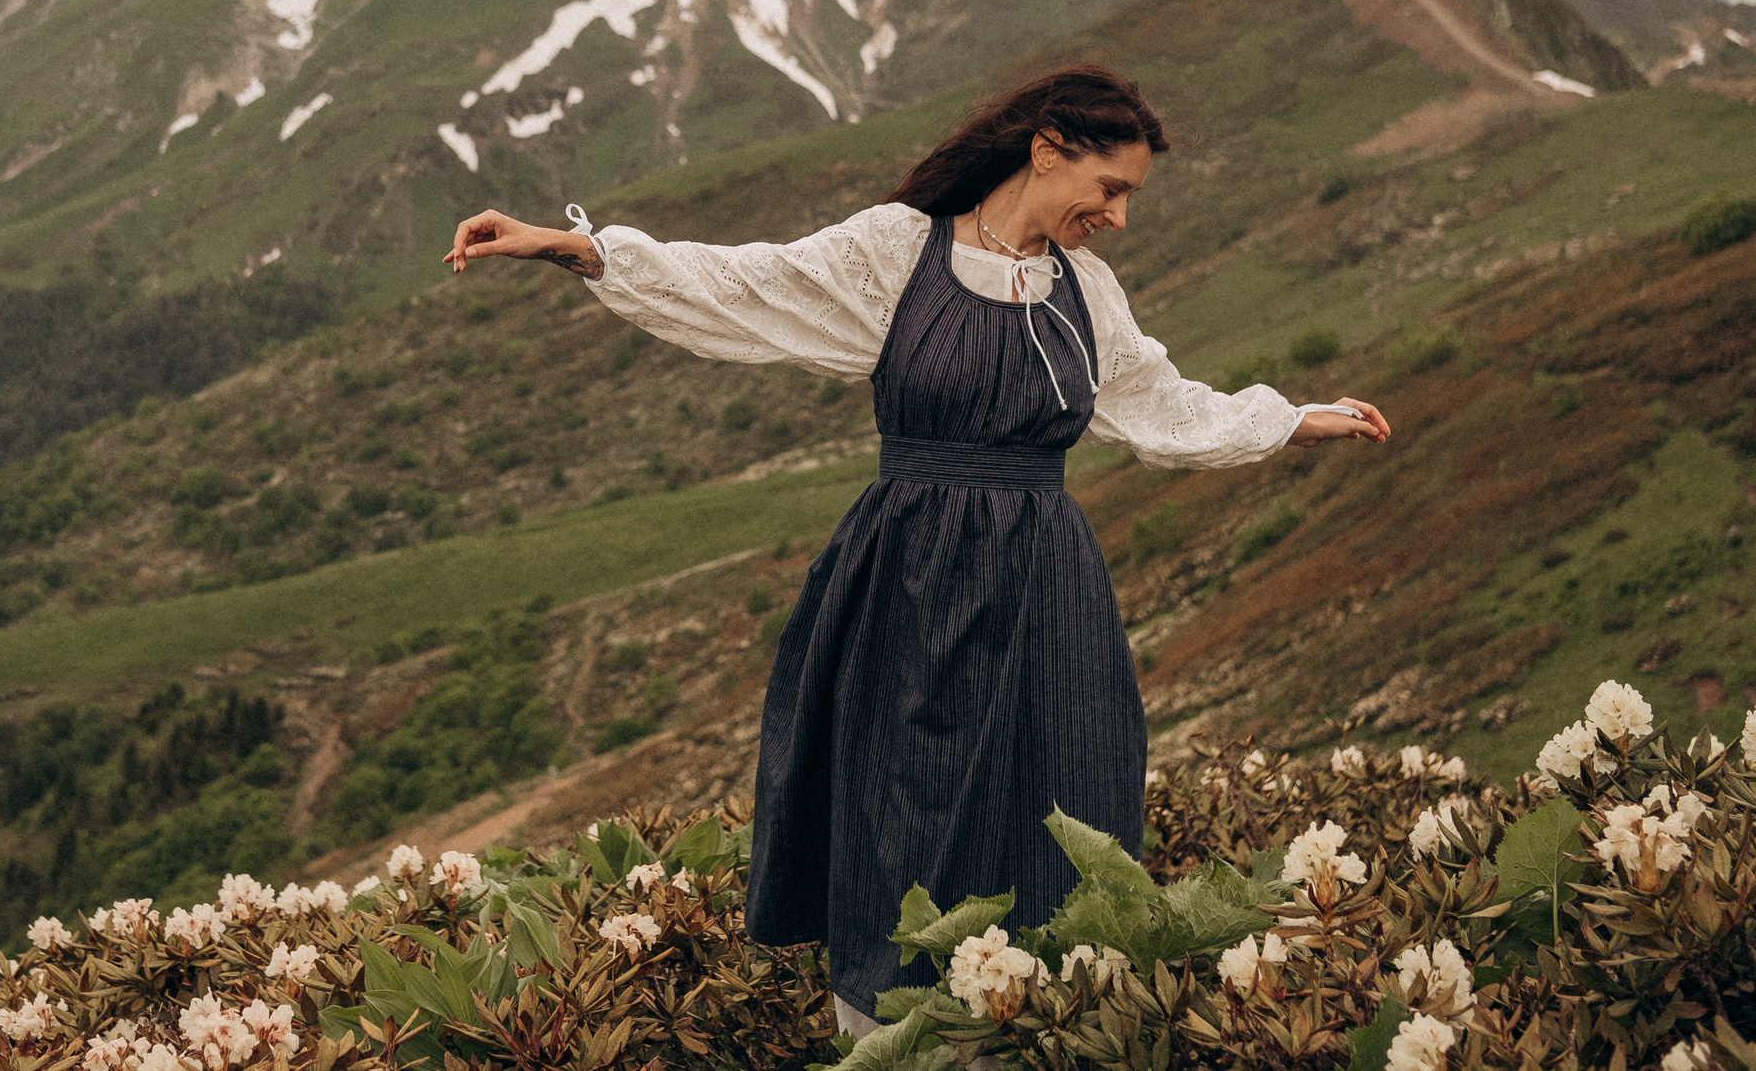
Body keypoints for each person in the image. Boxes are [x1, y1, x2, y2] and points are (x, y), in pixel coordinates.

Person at [443, 64, 1389, 1032]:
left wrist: (1291, 419)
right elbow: (744, 285)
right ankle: (891, 1034)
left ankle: (1041, 1023)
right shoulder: (899, 253)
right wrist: (579, 249)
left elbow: (1161, 408)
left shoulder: (1084, 295)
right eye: (1110, 189)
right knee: (901, 803)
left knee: (1064, 792)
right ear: (1046, 149)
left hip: (1045, 588)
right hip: (910, 574)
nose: (1117, 217)